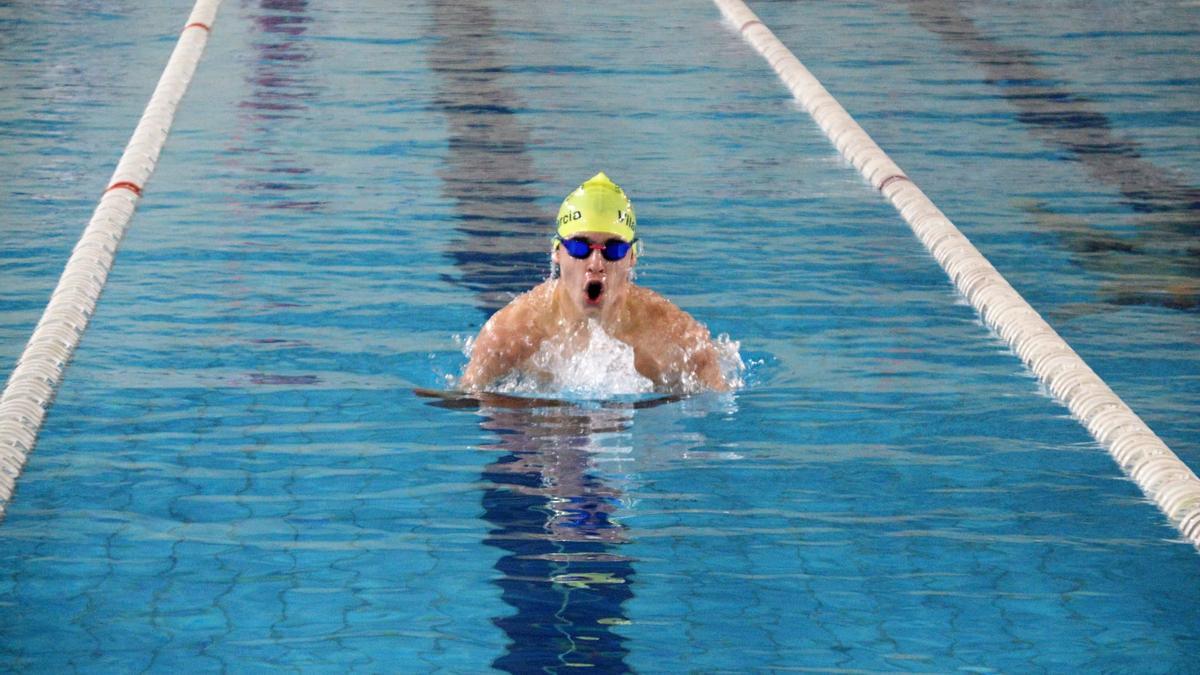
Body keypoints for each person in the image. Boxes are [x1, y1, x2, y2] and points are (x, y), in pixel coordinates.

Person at [460, 172, 729, 393]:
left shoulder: (676, 337)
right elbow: (465, 401)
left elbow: (719, 406)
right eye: (580, 247)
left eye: (613, 250)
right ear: (557, 252)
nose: (596, 264)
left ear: (632, 257)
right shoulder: (509, 334)